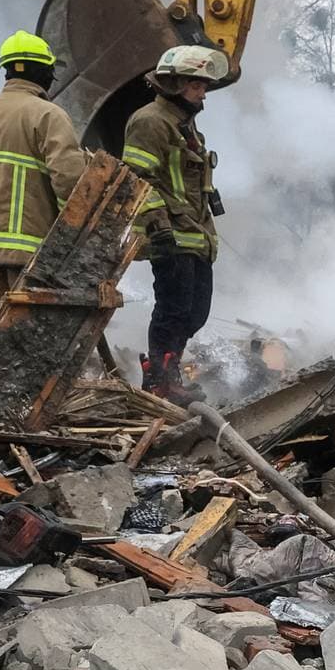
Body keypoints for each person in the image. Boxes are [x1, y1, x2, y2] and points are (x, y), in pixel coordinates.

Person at [0, 32, 86, 352]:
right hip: (24, 240)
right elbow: (69, 179)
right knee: (28, 316)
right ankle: (16, 393)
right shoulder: (48, 114)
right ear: (43, 72)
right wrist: (73, 231)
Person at [122, 44, 230, 402]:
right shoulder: (150, 121)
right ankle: (160, 381)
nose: (203, 94)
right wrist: (159, 227)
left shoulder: (186, 128)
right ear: (174, 84)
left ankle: (170, 374)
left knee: (195, 313)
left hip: (196, 236)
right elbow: (136, 179)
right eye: (196, 85)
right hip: (171, 236)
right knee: (173, 310)